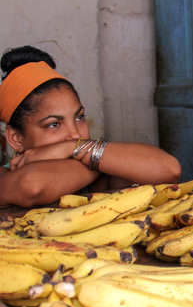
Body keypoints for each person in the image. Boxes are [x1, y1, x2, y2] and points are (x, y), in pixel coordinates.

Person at [0, 46, 181, 207]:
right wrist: (102, 163)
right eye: (54, 124)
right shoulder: (5, 177)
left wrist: (74, 148)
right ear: (16, 138)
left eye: (79, 118)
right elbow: (32, 186)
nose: (74, 134)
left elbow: (169, 169)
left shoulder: (85, 163)